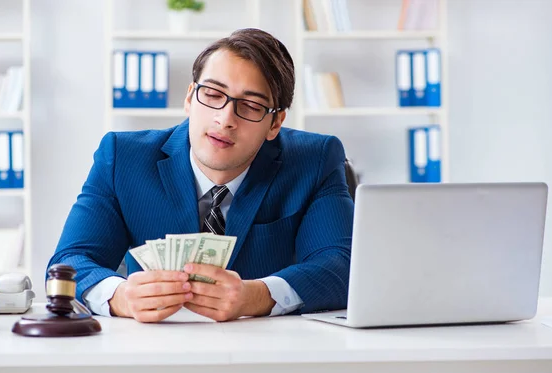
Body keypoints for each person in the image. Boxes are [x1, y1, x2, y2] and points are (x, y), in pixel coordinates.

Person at [47, 28, 354, 323]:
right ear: (190, 97)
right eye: (212, 94)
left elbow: (343, 267)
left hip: (266, 353)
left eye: (250, 105)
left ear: (275, 123)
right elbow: (70, 262)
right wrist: (120, 296)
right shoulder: (122, 158)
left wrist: (257, 296)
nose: (225, 119)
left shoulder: (315, 160)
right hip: (153, 351)